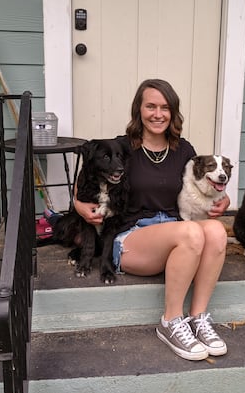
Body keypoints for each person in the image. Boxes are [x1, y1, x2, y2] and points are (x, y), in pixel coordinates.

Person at [73, 78, 230, 361]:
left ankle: (198, 318)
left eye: (165, 107)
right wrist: (77, 203)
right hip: (132, 235)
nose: (158, 114)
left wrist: (223, 198)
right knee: (190, 232)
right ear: (139, 110)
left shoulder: (183, 150)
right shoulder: (122, 146)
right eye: (151, 106)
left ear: (173, 112)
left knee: (217, 231)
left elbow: (201, 185)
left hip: (173, 231)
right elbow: (86, 175)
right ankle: (170, 321)